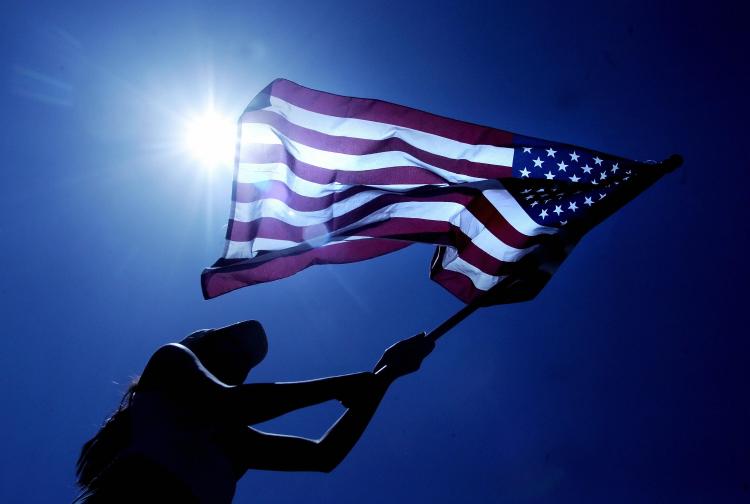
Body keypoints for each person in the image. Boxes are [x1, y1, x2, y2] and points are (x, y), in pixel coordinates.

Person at [74, 320, 434, 503]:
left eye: (244, 361)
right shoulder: (169, 362)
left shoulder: (231, 439)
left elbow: (323, 454)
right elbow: (230, 402)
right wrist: (340, 385)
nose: (238, 360)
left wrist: (387, 373)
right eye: (229, 341)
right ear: (198, 345)